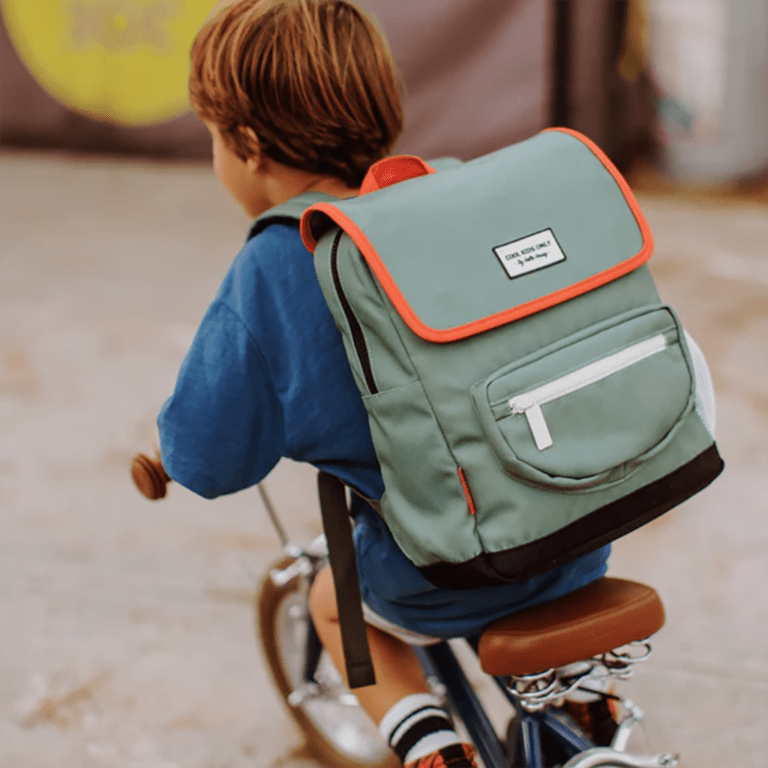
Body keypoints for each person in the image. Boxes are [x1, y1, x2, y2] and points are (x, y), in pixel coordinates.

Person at [157, 1, 611, 766]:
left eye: (213, 138)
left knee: (338, 604)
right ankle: (588, 708)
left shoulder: (277, 264)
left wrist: (172, 450)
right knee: (499, 530)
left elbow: (207, 456)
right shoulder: (453, 191)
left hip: (451, 568)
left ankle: (430, 746)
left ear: (250, 145)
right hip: (582, 516)